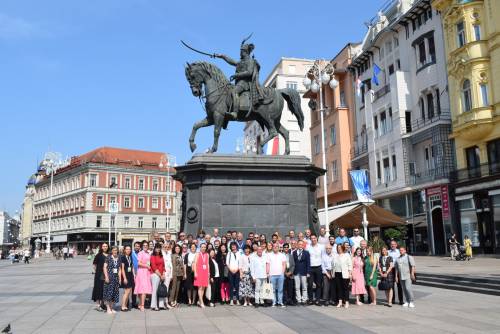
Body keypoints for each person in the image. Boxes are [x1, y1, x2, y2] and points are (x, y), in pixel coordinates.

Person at [134, 241, 153, 312]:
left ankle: (140, 304)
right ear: (142, 246)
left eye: (146, 245)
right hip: (141, 272)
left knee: (143, 288)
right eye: (144, 245)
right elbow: (138, 263)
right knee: (142, 289)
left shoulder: (148, 253)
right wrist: (146, 266)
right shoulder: (140, 253)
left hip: (147, 272)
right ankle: (142, 305)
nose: (145, 246)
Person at [103, 246, 122, 314]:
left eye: (116, 250)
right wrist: (106, 277)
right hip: (109, 278)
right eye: (114, 250)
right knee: (109, 293)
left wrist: (120, 278)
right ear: (111, 251)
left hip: (116, 278)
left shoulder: (119, 258)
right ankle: (108, 308)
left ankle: (111, 307)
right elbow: (104, 267)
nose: (115, 251)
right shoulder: (108, 257)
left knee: (115, 293)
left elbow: (119, 269)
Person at [267, 242, 286, 307]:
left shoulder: (282, 255)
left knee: (280, 289)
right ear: (272, 247)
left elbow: (284, 264)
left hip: (280, 274)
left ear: (278, 247)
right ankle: (274, 302)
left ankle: (280, 302)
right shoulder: (269, 255)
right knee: (273, 290)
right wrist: (268, 273)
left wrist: (282, 273)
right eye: (274, 246)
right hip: (272, 275)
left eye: (276, 246)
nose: (275, 247)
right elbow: (268, 264)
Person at [307, 235, 324, 305]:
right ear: (310, 239)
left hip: (318, 267)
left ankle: (317, 299)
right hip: (310, 268)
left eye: (314, 238)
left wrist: (323, 268)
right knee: (310, 284)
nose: (313, 239)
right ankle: (311, 299)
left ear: (316, 238)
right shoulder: (308, 247)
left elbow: (323, 257)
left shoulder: (321, 247)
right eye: (311, 238)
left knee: (319, 284)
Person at [92, 242, 109, 312]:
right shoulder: (98, 255)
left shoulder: (109, 255)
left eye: (106, 246)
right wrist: (97, 272)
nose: (105, 247)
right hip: (99, 275)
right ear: (101, 247)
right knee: (98, 288)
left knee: (104, 289)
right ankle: (98, 305)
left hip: (107, 274)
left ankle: (103, 304)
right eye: (103, 246)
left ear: (108, 247)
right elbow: (94, 265)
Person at [334, 244, 352, 308]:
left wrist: (350, 274)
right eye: (338, 248)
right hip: (337, 273)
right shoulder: (335, 256)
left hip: (344, 273)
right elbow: (333, 265)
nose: (339, 249)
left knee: (345, 288)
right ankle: (340, 302)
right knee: (339, 288)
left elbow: (350, 265)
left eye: (340, 247)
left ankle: (347, 302)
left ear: (342, 248)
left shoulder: (346, 255)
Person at [293, 240, 310, 305]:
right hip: (296, 272)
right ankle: (298, 300)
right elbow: (293, 262)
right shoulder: (294, 252)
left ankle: (304, 300)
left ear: (303, 245)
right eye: (299, 244)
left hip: (304, 272)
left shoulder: (306, 252)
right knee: (297, 287)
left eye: (301, 244)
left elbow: (308, 263)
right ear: (297, 245)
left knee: (304, 287)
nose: (300, 245)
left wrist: (308, 272)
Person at [150, 244, 167, 311]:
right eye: (157, 248)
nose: (158, 249)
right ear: (154, 249)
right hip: (155, 274)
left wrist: (163, 274)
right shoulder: (153, 256)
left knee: (161, 290)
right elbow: (154, 267)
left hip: (161, 274)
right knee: (155, 290)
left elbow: (163, 266)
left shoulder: (161, 256)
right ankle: (154, 305)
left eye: (159, 248)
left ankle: (161, 305)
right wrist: (160, 275)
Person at [193, 243, 210, 308]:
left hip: (205, 272)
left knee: (203, 287)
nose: (203, 248)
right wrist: (195, 272)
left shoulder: (207, 254)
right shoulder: (197, 254)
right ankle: (201, 302)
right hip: (199, 272)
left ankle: (199, 301)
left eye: (204, 247)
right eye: (202, 247)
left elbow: (207, 264)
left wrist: (208, 272)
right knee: (200, 287)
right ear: (200, 248)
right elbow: (195, 264)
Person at [120, 245, 135, 312]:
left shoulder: (130, 257)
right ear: (124, 250)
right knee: (126, 292)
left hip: (130, 275)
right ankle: (123, 306)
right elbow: (122, 269)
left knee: (128, 292)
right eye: (127, 249)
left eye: (129, 249)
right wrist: (125, 278)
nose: (128, 250)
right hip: (125, 276)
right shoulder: (123, 257)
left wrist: (133, 276)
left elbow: (131, 267)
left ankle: (125, 305)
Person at [388, 240, 403, 305]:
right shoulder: (388, 252)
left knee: (399, 285)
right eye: (391, 244)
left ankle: (401, 300)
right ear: (390, 245)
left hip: (397, 270)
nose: (393, 245)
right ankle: (392, 300)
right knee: (391, 286)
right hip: (391, 270)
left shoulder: (399, 252)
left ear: (396, 245)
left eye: (394, 244)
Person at [130, 242, 141, 308]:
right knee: (133, 288)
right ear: (134, 246)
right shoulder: (132, 253)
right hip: (133, 272)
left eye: (138, 246)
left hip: (140, 272)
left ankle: (139, 302)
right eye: (136, 246)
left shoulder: (141, 253)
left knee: (139, 288)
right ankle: (133, 302)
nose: (137, 247)